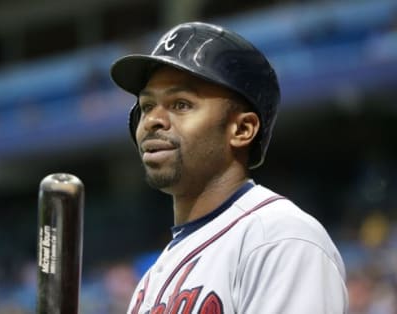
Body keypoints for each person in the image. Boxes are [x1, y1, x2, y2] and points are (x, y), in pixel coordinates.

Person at [110, 22, 348, 313]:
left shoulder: (278, 238)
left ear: (242, 129)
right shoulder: (150, 281)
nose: (152, 120)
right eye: (147, 106)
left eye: (181, 104)